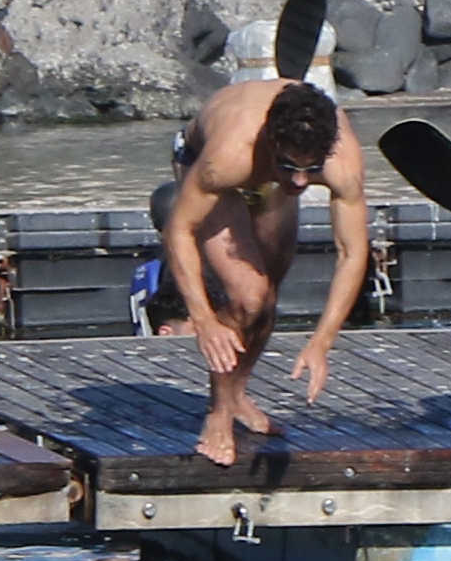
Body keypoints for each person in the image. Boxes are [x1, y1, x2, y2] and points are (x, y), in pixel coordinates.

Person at [157, 74, 375, 465]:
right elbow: (179, 230)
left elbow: (352, 253)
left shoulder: (340, 162)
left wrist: (322, 342)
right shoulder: (228, 156)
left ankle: (237, 394)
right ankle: (218, 414)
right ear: (273, 143)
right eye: (289, 166)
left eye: (310, 171)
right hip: (205, 164)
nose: (300, 181)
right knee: (248, 296)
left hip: (265, 177)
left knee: (267, 298)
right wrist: (204, 319)